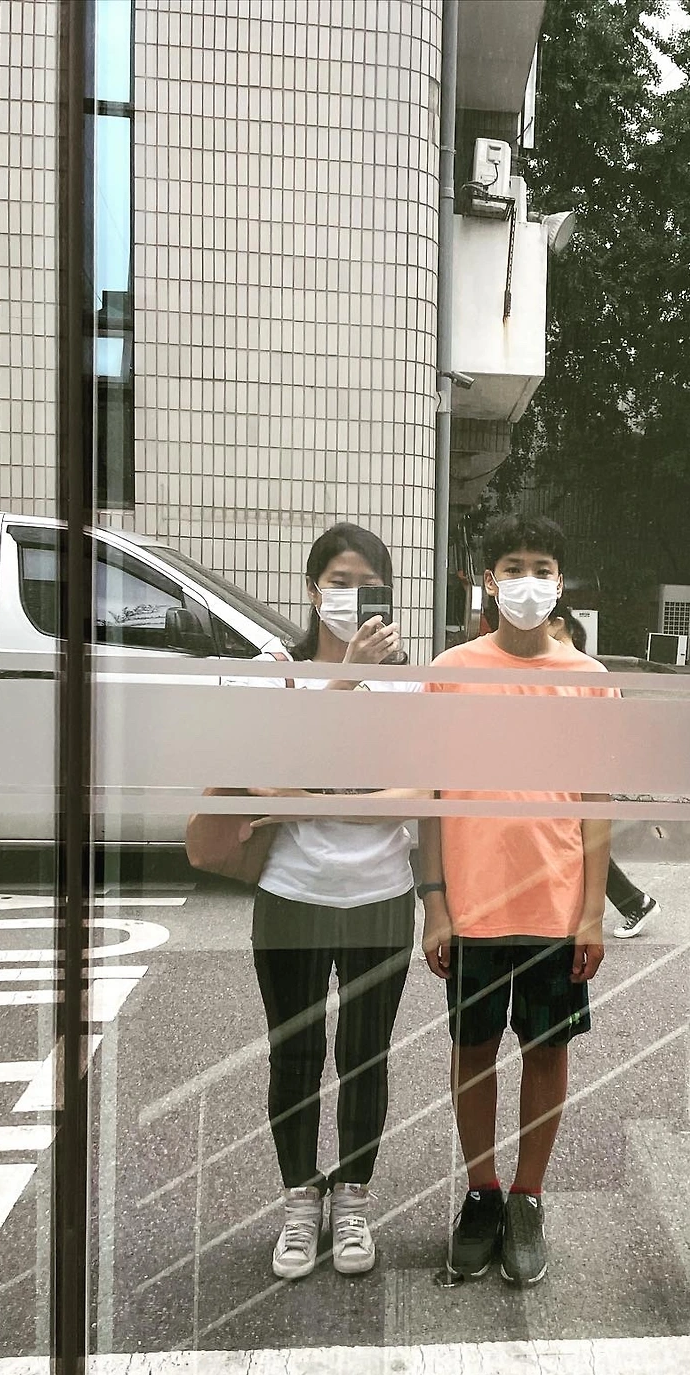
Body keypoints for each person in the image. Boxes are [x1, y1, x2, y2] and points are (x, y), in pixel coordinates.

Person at [419, 514, 613, 1287]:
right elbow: (431, 798)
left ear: (560, 583)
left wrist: (592, 910)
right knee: (472, 1052)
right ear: (487, 580)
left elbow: (597, 804)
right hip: (472, 909)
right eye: (512, 566)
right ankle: (482, 1192)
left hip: (554, 908)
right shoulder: (450, 671)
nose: (527, 581)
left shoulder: (589, 679)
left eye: (542, 567)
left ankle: (528, 1196)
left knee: (546, 1052)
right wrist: (435, 903)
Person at [250, 522, 420, 1281]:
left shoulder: (407, 686)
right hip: (292, 893)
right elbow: (265, 785)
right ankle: (299, 1201)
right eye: (339, 583)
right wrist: (346, 679)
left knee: (364, 1056)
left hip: (382, 893)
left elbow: (418, 796)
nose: (352, 597)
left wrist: (314, 797)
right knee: (295, 1055)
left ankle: (352, 1199)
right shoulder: (276, 672)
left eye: (368, 586)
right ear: (312, 588)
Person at [547, 605, 661, 939]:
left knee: (581, 844)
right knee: (582, 844)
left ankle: (635, 903)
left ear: (559, 624)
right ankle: (635, 902)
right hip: (571, 773)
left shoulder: (579, 669)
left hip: (575, 774)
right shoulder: (578, 667)